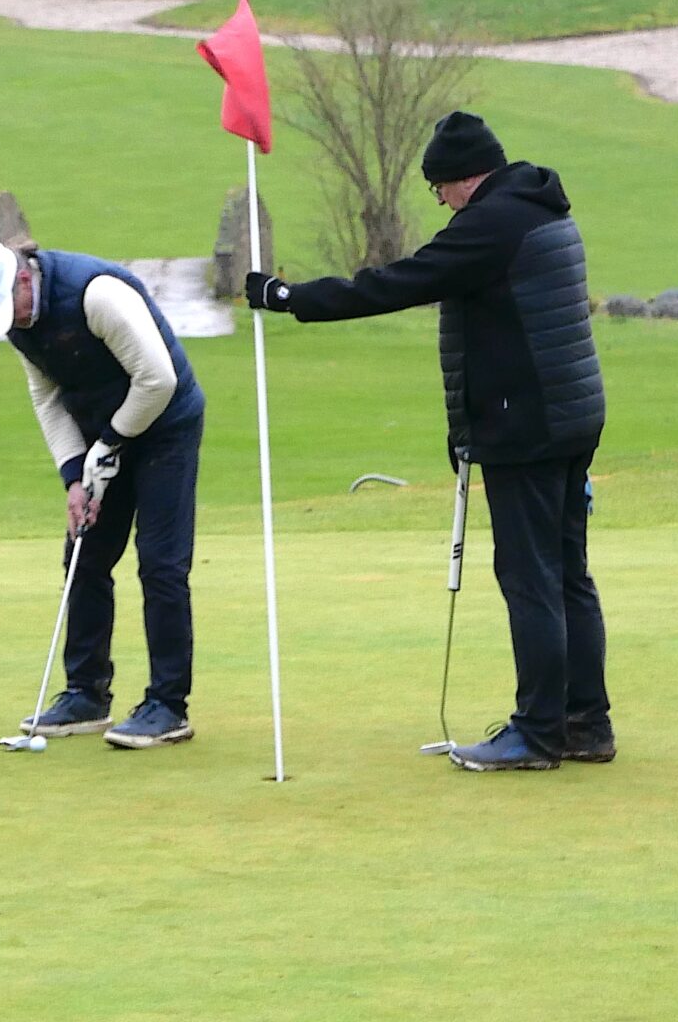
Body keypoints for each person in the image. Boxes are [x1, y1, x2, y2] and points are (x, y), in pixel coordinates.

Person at [247, 110, 611, 771]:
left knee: (530, 577)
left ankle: (537, 733)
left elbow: (397, 283)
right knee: (565, 574)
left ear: (466, 177)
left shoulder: (493, 223)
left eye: (439, 187)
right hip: (568, 415)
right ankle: (585, 724)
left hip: (528, 425)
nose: (439, 200)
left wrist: (290, 297)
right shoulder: (541, 206)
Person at [0, 240, 205, 749]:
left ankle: (167, 707)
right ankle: (86, 694)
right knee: (84, 557)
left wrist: (108, 445)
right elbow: (46, 396)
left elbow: (157, 380)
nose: (11, 324)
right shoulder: (18, 320)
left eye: (9, 310)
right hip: (101, 434)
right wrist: (74, 475)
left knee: (160, 564)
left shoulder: (96, 294)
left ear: (25, 279)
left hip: (165, 427)